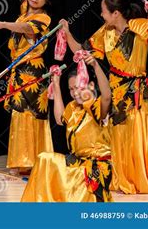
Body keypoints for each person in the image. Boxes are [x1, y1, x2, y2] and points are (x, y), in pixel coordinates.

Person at [59, 0, 148, 194]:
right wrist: (66, 32)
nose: (102, 15)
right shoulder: (105, 33)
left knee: (139, 135)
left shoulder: (140, 26)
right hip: (117, 93)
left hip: (137, 93)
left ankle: (142, 180)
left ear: (116, 13)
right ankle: (123, 180)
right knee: (120, 137)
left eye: (103, 12)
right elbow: (80, 51)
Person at [0, 0, 53, 175]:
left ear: (46, 0)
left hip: (34, 73)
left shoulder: (43, 19)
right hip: (19, 70)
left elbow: (26, 29)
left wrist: (4, 24)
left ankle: (37, 162)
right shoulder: (25, 7)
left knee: (33, 114)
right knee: (19, 114)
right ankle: (19, 162)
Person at [21, 54, 113, 202]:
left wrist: (96, 66)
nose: (75, 92)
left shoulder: (96, 106)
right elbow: (59, 119)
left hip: (95, 168)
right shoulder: (73, 107)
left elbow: (107, 96)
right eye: (71, 89)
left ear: (90, 86)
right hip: (78, 163)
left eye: (78, 87)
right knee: (44, 158)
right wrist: (56, 84)